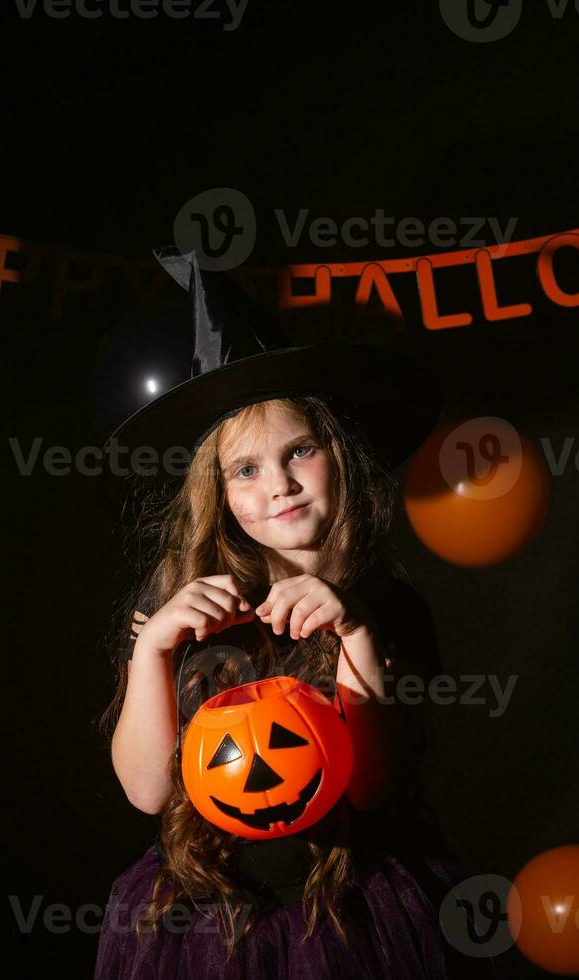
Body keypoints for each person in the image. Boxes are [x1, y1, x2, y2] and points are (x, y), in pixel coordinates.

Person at [92, 247, 496, 979]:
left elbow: (374, 787)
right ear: (219, 493)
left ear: (338, 454)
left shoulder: (389, 611)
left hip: (346, 912)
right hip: (207, 920)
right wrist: (152, 650)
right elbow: (148, 788)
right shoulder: (179, 594)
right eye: (246, 469)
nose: (279, 484)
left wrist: (356, 634)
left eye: (299, 450)